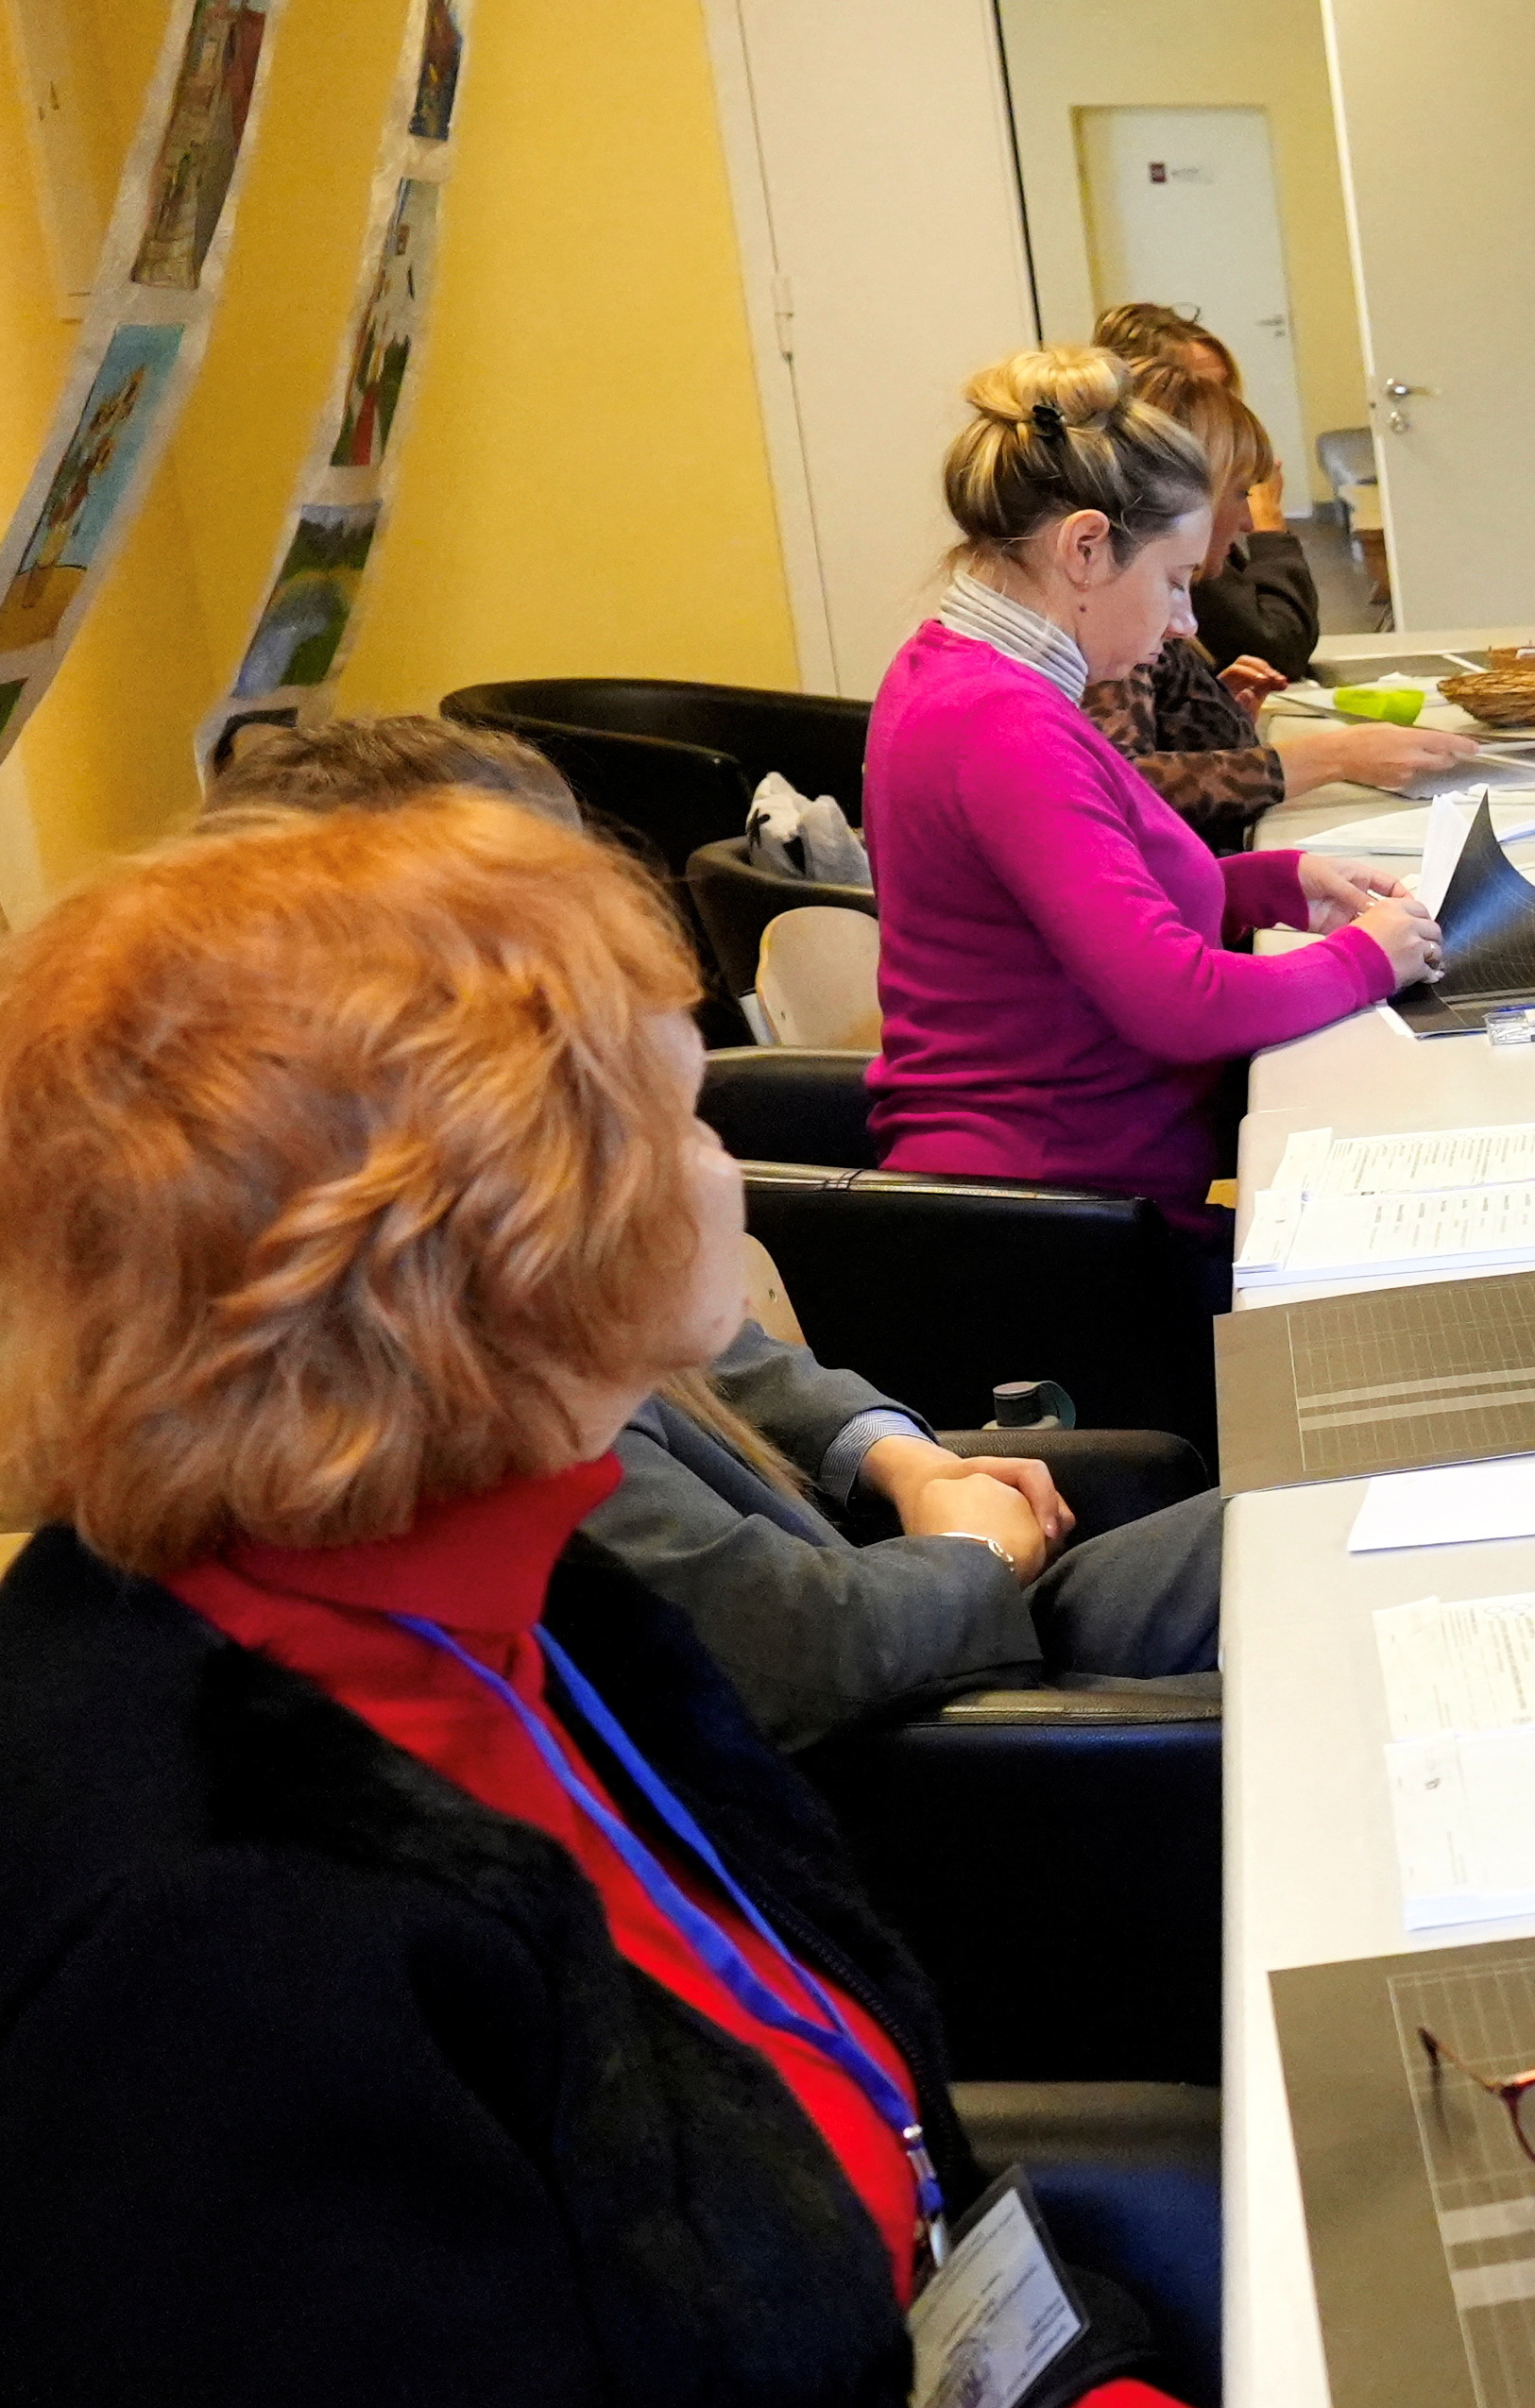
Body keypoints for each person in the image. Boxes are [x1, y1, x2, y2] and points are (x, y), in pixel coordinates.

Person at [0, 788, 1232, 2408]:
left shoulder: (498, 1597)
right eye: (670, 1125)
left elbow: (846, 2164)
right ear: (486, 1239)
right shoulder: (196, 1925)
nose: (725, 1169)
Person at [198, 709, 1233, 1726]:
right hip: (927, 1718)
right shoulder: (456, 1388)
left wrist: (898, 1457)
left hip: (917, 1609)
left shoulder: (485, 1233)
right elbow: (807, 1651)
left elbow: (716, 1354)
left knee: (1343, 1529)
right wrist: (978, 1554)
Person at [870, 346, 1439, 1212]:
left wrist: (1268, 882)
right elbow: (1180, 1003)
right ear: (1087, 548)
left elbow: (1077, 897)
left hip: (1075, 1178)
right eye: (1175, 583)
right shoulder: (1002, 722)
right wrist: (1368, 960)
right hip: (1054, 1219)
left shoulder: (959, 671)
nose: (1182, 622)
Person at [1084, 304, 1467, 832]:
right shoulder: (1111, 619)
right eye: (1240, 493)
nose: (1247, 519)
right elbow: (1115, 789)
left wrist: (1217, 720)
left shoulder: (1121, 602)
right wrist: (1336, 756)